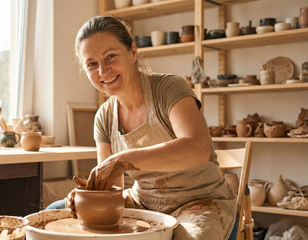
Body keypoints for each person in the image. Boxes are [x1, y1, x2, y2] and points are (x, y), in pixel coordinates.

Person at [48, 16, 238, 240]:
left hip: (201, 202)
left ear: (133, 52)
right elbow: (112, 191)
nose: (103, 70)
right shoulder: (104, 117)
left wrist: (122, 161)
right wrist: (87, 196)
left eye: (110, 56)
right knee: (54, 213)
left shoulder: (169, 89)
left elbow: (197, 148)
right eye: (91, 64)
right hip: (144, 203)